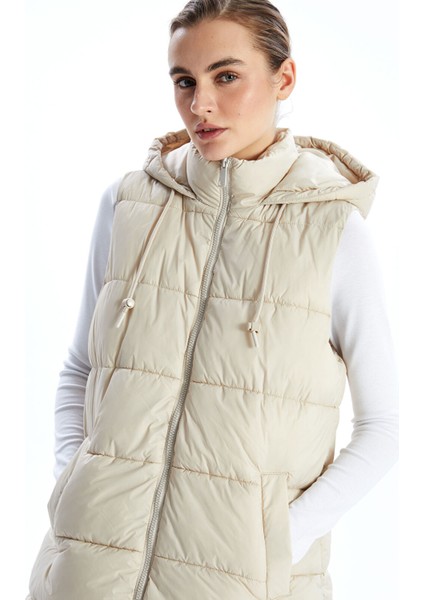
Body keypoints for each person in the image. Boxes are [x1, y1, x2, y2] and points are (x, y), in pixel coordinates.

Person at [27, 1, 398, 599]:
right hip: (88, 575)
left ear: (284, 78)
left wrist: (279, 543)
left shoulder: (334, 232)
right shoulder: (127, 206)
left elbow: (382, 430)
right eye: (184, 81)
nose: (200, 103)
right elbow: (80, 369)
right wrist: (75, 491)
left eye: (226, 76)